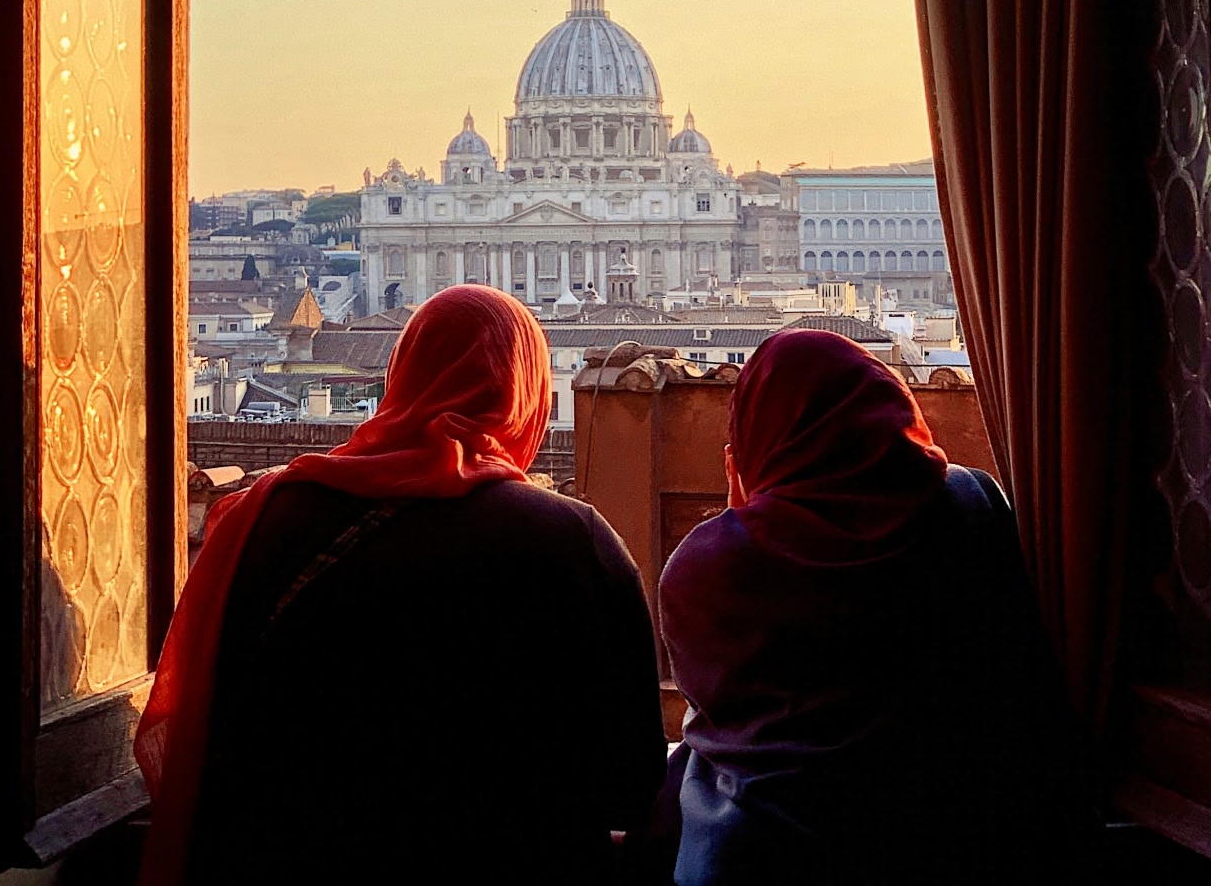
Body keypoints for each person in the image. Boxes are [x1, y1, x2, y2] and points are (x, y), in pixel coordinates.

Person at [136, 286, 666, 885]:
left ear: (402, 375)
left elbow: (211, 725)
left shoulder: (267, 515)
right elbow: (632, 778)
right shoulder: (572, 540)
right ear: (524, 392)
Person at [659, 329, 1098, 886]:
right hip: (971, 838)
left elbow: (720, 724)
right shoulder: (971, 505)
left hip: (769, 852)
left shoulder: (715, 564)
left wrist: (745, 503)